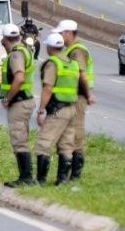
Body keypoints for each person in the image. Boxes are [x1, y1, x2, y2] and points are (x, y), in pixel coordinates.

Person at [34, 33, 80, 186]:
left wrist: (41, 111)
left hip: (57, 110)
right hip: (72, 109)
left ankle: (40, 181)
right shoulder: (72, 64)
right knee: (66, 146)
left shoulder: (53, 63)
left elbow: (48, 88)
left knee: (43, 144)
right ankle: (62, 181)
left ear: (49, 47)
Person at [53, 19, 96, 181]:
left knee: (76, 134)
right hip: (73, 96)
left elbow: (82, 75)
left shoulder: (77, 51)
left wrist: (88, 95)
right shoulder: (71, 50)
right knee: (69, 133)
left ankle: (75, 176)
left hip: (78, 97)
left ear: (69, 33)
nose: (60, 37)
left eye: (61, 33)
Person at [0, 24, 37, 187]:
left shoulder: (16, 55)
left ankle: (26, 177)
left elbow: (19, 78)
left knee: (19, 140)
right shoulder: (24, 50)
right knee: (21, 138)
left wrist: (8, 98)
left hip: (19, 102)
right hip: (25, 101)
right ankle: (25, 176)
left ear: (5, 39)